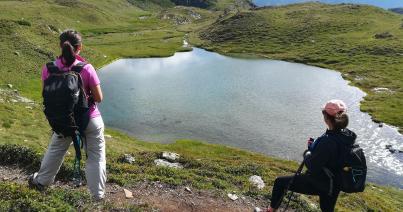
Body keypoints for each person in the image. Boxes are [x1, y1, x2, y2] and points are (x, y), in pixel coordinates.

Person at [29, 29, 106, 200]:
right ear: (80, 47)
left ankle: (41, 182)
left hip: (63, 120)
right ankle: (97, 196)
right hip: (89, 118)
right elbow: (99, 98)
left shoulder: (49, 68)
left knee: (55, 150)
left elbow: (45, 94)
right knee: (96, 156)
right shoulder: (86, 68)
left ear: (60, 45)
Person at [267, 99, 357, 212]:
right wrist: (316, 148)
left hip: (319, 182)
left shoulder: (328, 140)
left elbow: (312, 166)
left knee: (280, 182)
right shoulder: (347, 136)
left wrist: (307, 153)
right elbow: (333, 156)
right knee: (327, 209)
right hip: (335, 183)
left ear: (326, 118)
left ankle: (270, 210)